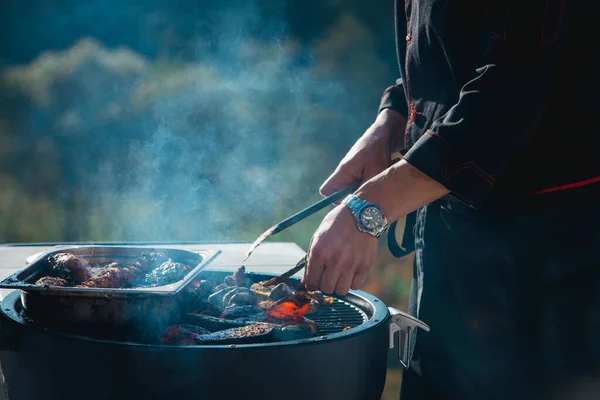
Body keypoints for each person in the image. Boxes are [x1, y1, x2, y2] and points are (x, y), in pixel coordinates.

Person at [302, 1, 600, 399]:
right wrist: (394, 117)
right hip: (449, 224)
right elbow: (453, 41)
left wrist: (369, 208)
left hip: (546, 255)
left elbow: (514, 79)